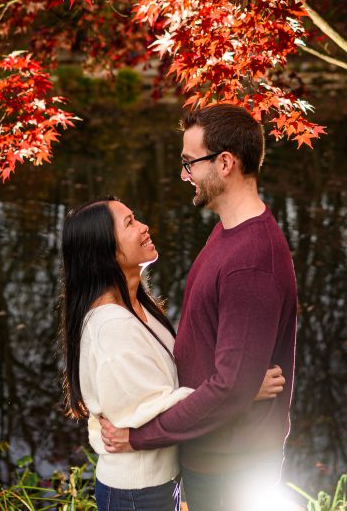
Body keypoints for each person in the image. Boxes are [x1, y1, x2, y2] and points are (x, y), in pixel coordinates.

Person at [100, 104, 299, 511]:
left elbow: (228, 388)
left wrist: (138, 436)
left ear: (225, 163)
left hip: (233, 464)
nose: (183, 175)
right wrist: (240, 387)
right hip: (216, 453)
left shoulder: (250, 261)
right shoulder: (228, 233)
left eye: (190, 163)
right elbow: (228, 375)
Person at [60, 196, 286, 511]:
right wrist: (240, 388)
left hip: (159, 483)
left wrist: (234, 383)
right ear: (104, 250)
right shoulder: (111, 328)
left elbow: (173, 378)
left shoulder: (138, 305)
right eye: (129, 224)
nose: (143, 227)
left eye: (135, 216)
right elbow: (155, 412)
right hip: (137, 492)